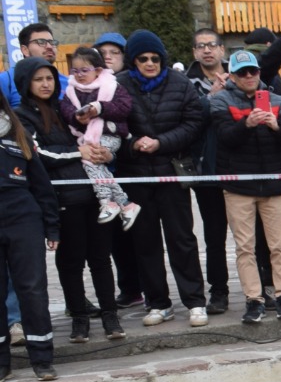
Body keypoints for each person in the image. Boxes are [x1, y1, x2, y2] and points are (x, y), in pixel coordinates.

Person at [13, 57, 121, 342]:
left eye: (49, 78)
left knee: (100, 258)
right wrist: (77, 152)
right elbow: (37, 155)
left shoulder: (65, 109)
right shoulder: (21, 115)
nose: (46, 84)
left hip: (94, 194)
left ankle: (111, 316)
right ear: (26, 84)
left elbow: (95, 135)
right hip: (61, 198)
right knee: (71, 261)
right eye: (39, 79)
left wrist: (104, 153)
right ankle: (79, 319)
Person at [117, 29, 208, 328]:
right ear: (133, 60)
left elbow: (194, 122)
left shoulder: (180, 83)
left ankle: (195, 301)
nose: (150, 63)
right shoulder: (119, 85)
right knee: (145, 243)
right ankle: (158, 302)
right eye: (143, 58)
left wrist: (162, 142)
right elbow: (111, 124)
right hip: (136, 175)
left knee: (182, 240)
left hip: (170, 171)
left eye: (155, 58)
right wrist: (132, 144)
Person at [211, 50, 281, 323]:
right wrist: (247, 124)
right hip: (239, 186)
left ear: (259, 73)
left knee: (279, 245)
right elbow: (224, 138)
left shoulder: (278, 100)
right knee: (245, 247)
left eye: (253, 71)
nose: (249, 76)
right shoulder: (221, 101)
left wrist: (277, 128)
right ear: (233, 76)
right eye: (242, 73)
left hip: (273, 184)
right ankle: (253, 299)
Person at [0, 90, 59, 381]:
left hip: (23, 220)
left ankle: (42, 357)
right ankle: (2, 362)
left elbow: (42, 185)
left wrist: (52, 226)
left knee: (32, 290)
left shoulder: (18, 132)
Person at [60, 47, 137, 229]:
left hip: (111, 134)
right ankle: (125, 203)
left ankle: (107, 201)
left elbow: (124, 108)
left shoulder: (111, 85)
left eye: (85, 70)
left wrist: (100, 108)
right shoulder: (71, 90)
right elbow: (66, 110)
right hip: (86, 136)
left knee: (90, 161)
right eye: (75, 70)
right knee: (93, 162)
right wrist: (76, 117)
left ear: (98, 70)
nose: (79, 75)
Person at [188, 27, 236, 313]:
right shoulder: (184, 83)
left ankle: (262, 288)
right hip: (206, 170)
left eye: (212, 45)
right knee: (214, 236)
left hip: (240, 167)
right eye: (201, 46)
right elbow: (189, 122)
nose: (207, 50)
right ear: (194, 52)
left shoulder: (242, 73)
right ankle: (219, 291)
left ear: (221, 50)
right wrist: (211, 99)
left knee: (250, 234)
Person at [0, 22, 57, 106]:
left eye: (52, 42)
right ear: (25, 50)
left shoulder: (66, 81)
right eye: (41, 42)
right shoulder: (5, 80)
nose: (49, 46)